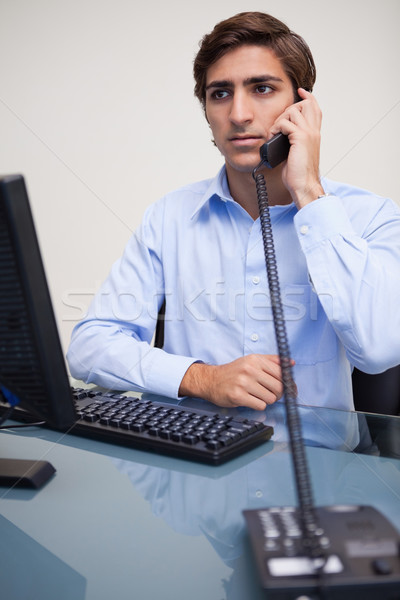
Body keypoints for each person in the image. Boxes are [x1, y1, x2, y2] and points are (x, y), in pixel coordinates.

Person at [67, 12, 400, 412]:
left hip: (320, 461)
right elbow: (90, 346)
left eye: (261, 88)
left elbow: (381, 349)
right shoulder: (168, 217)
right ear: (206, 111)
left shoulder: (369, 216)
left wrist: (309, 193)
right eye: (220, 93)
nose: (238, 114)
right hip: (193, 458)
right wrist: (202, 377)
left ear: (301, 106)